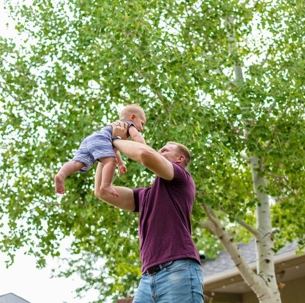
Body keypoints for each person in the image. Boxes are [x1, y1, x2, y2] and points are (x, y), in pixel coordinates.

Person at [94, 122, 204, 303]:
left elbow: (144, 154)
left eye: (165, 150)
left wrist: (115, 140)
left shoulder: (181, 179)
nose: (159, 152)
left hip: (178, 269)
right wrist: (105, 151)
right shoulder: (144, 195)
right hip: (147, 278)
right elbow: (101, 191)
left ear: (180, 159)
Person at [54, 104, 146, 196]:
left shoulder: (115, 125)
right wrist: (145, 148)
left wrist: (120, 163)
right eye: (142, 123)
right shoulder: (128, 124)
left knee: (77, 163)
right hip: (102, 139)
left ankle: (61, 175)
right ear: (132, 117)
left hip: (91, 139)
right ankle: (105, 184)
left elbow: (114, 149)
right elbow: (136, 136)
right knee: (110, 161)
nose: (141, 129)